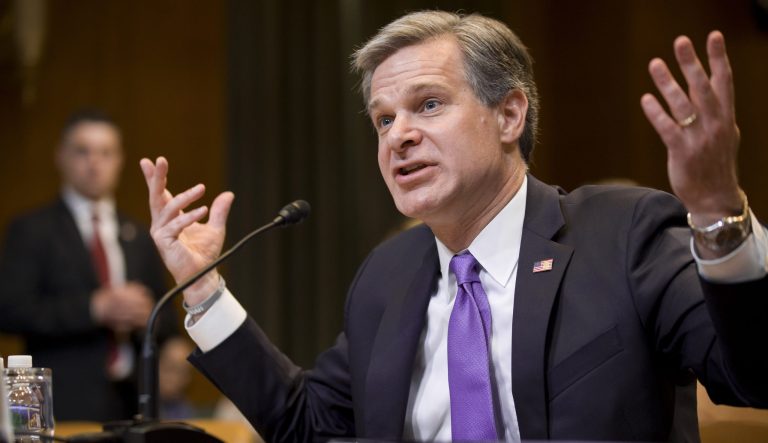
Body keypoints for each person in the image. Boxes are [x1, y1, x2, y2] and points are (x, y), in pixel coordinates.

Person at [139, 10, 768, 442]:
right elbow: (308, 426)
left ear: (509, 115)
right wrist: (202, 288)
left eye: (429, 104)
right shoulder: (387, 278)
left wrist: (718, 214)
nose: (399, 135)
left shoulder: (621, 233)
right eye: (383, 120)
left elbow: (753, 377)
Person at [0, 110, 170, 421]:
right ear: (61, 157)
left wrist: (150, 318)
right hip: (61, 402)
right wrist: (93, 308)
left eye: (106, 153)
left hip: (132, 402)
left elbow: (166, 314)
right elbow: (10, 310)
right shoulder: (32, 230)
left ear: (119, 161)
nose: (95, 163)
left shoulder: (141, 234)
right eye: (83, 151)